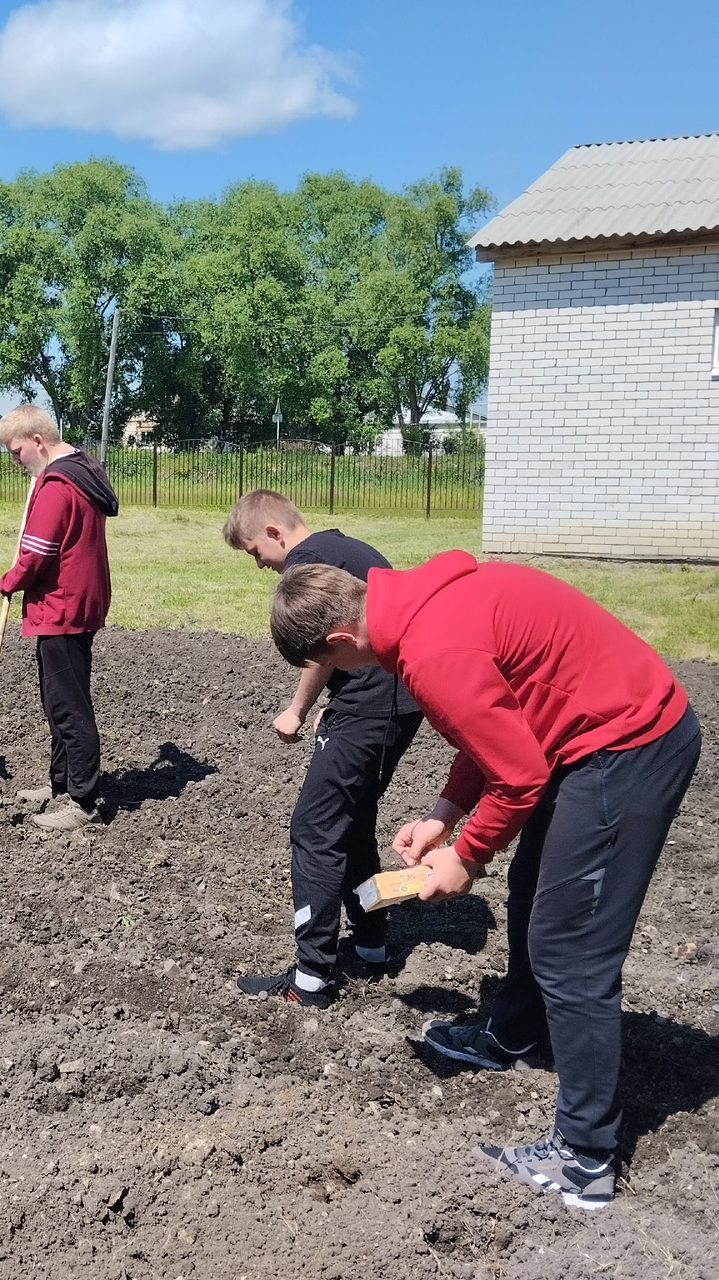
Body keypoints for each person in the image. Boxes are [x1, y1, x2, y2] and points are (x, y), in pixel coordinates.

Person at [270, 551, 700, 1210]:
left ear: (337, 643)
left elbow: (521, 774)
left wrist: (466, 857)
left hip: (627, 746)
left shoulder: (430, 650)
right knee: (535, 894)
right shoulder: (423, 601)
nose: (338, 680)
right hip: (587, 742)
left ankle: (584, 1159)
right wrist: (444, 815)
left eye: (333, 670)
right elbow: (499, 727)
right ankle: (514, 1034)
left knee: (573, 949)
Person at [222, 491, 423, 1007]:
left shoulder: (308, 562)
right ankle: (372, 946)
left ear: (273, 532)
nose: (262, 566)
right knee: (351, 820)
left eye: (254, 553)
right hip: (397, 701)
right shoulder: (345, 546)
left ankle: (311, 978)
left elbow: (322, 645)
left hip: (370, 704)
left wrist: (296, 709)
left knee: (313, 827)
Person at [0, 404, 118, 832]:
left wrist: (9, 580)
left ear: (37, 441)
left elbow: (36, 555)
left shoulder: (56, 485)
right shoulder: (84, 470)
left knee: (68, 705)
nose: (15, 461)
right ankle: (61, 782)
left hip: (62, 606)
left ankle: (83, 800)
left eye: (16, 452)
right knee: (59, 698)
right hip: (79, 600)